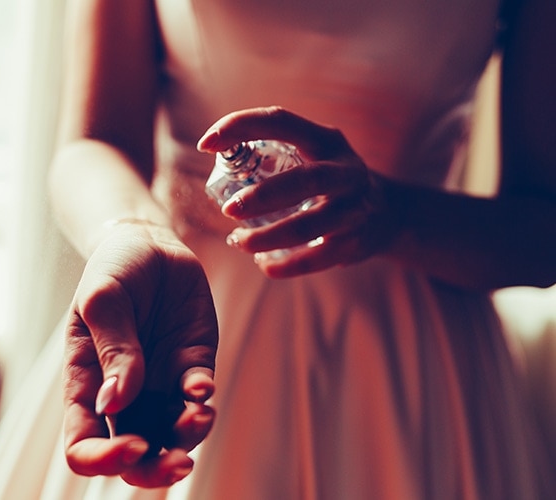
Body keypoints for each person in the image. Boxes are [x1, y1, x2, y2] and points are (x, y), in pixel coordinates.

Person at [47, 0, 556, 498]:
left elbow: (542, 227)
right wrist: (130, 229)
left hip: (418, 371)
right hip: (180, 315)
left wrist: (393, 215)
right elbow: (95, 141)